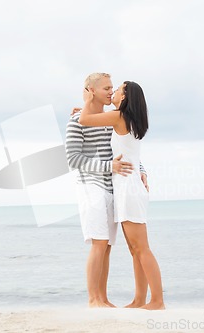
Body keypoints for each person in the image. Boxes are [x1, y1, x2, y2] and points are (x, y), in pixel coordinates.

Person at [79, 80, 165, 310]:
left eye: (117, 89)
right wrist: (87, 109)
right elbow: (94, 118)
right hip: (128, 186)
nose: (114, 91)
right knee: (135, 249)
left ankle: (157, 301)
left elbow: (85, 120)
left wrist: (87, 102)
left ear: (124, 97)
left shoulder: (118, 117)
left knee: (141, 248)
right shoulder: (125, 118)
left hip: (128, 188)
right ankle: (139, 300)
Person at [65, 73, 148, 308]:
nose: (111, 92)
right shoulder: (76, 121)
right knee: (98, 243)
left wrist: (141, 170)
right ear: (91, 91)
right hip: (90, 186)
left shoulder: (109, 120)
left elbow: (125, 149)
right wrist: (107, 167)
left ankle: (103, 298)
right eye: (106, 88)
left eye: (113, 87)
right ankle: (94, 300)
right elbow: (73, 159)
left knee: (107, 246)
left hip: (113, 187)